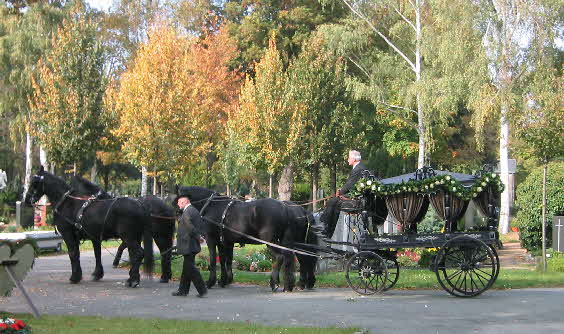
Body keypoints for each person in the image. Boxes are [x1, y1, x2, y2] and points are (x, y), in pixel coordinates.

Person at [315, 150, 368, 238]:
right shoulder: (360, 167)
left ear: (354, 159)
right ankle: (328, 231)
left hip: (357, 200)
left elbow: (349, 185)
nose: (347, 160)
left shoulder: (358, 168)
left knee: (332, 202)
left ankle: (324, 225)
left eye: (349, 158)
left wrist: (340, 192)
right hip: (358, 196)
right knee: (335, 205)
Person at [172, 195, 208, 297]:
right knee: (186, 268)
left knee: (191, 268)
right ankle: (183, 290)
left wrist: (198, 237)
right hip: (190, 244)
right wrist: (199, 236)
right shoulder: (194, 210)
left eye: (179, 202)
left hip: (188, 244)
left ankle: (202, 290)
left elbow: (189, 226)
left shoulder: (187, 212)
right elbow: (200, 225)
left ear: (184, 202)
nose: (178, 205)